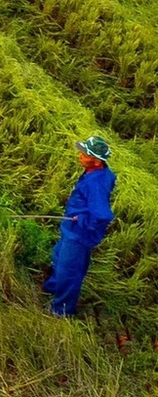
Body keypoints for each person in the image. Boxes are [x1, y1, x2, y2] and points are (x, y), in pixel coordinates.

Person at [44, 135, 117, 317]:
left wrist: (82, 221)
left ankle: (61, 311)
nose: (80, 156)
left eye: (84, 154)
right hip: (70, 228)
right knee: (58, 256)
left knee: (69, 271)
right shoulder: (99, 172)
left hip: (78, 234)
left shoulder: (95, 184)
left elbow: (103, 215)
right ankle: (53, 286)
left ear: (95, 160)